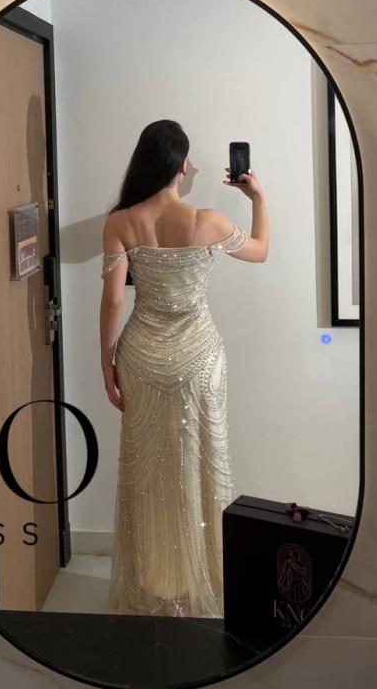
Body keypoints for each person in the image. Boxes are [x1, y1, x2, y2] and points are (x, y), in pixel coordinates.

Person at [100, 119, 269, 617]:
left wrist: (106, 365)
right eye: (188, 160)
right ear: (178, 165)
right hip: (199, 359)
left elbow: (113, 302)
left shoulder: (120, 222)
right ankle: (202, 577)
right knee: (199, 464)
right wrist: (258, 197)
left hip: (141, 359)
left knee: (148, 471)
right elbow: (261, 252)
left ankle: (157, 582)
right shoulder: (208, 221)